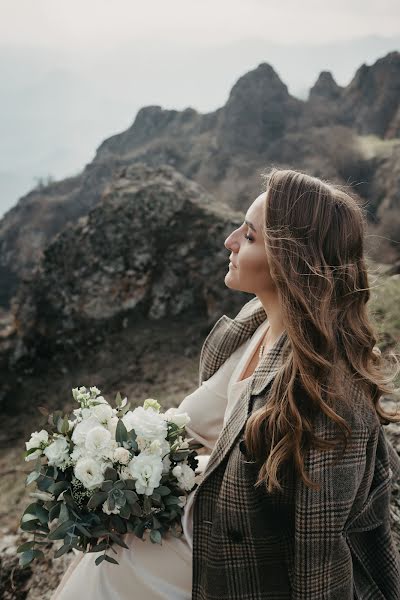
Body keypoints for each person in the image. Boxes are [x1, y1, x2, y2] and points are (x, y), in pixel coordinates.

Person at [51, 167, 400, 600]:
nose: (230, 241)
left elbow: (319, 553)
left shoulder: (325, 395)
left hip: (241, 567)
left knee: (111, 568)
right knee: (106, 552)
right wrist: (118, 471)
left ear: (292, 263)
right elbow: (210, 437)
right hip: (198, 518)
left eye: (250, 237)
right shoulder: (249, 325)